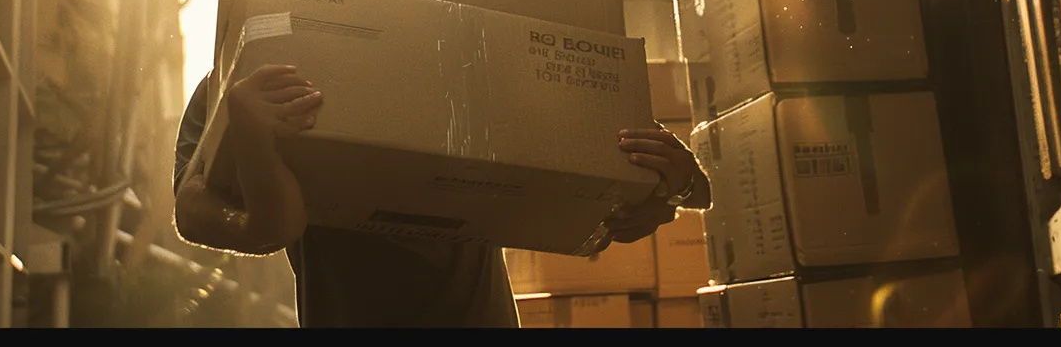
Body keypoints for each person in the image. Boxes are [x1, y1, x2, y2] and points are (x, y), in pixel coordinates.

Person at [171, 63, 711, 328]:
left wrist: (669, 182)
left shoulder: (453, 56)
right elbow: (208, 214)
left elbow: (686, 185)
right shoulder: (236, 83)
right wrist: (255, 161)